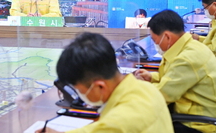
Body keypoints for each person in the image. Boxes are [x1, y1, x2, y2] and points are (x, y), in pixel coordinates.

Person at [36, 32, 174, 133]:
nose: (79, 95)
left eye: (79, 90)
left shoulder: (121, 120)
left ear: (99, 86)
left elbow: (111, 127)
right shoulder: (144, 87)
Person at [134, 10, 216, 133]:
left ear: (167, 36)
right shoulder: (191, 46)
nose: (155, 44)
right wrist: (152, 77)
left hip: (200, 125)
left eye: (154, 40)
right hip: (204, 115)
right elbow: (176, 77)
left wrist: (129, 90)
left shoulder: (187, 58)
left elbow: (162, 95)